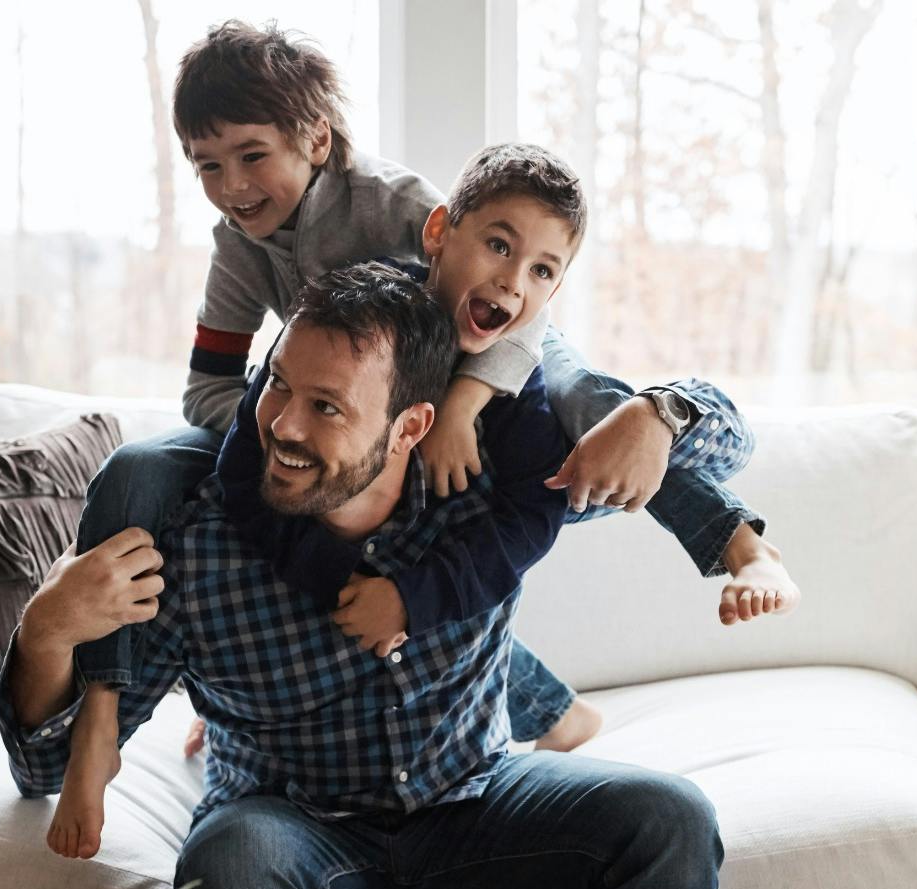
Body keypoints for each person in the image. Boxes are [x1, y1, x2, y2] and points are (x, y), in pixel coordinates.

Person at [0, 264, 721, 889]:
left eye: (328, 408)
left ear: (413, 423)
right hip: (296, 828)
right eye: (277, 391)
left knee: (671, 818)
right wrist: (44, 636)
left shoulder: (485, 489)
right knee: (227, 852)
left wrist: (660, 414)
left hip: (475, 796)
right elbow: (42, 768)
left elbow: (718, 461)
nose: (284, 428)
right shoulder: (198, 543)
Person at [63, 22, 797, 797]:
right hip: (360, 430)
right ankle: (113, 702)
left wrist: (459, 404)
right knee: (142, 469)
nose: (231, 184)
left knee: (594, 408)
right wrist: (289, 417)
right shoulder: (239, 247)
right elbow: (205, 387)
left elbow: (510, 292)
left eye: (251, 156)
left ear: (316, 140)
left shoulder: (397, 207)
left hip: (489, 356)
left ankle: (740, 542)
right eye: (207, 165)